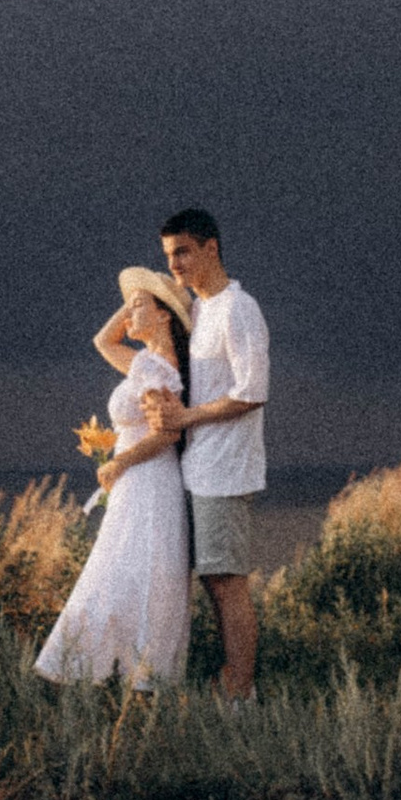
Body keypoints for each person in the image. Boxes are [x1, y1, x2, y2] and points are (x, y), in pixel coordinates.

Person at [34, 270, 195, 686]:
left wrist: (121, 463)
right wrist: (135, 302)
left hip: (148, 479)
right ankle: (107, 670)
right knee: (119, 570)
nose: (129, 314)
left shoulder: (161, 369)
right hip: (137, 481)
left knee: (131, 571)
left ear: (164, 317)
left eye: (140, 306)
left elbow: (169, 431)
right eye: (131, 306)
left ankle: (126, 675)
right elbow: (104, 341)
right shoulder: (145, 363)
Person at [143, 207, 268, 701]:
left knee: (226, 582)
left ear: (211, 249)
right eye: (168, 255)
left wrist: (184, 419)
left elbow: (252, 390)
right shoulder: (200, 311)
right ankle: (227, 682)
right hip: (197, 467)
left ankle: (240, 693)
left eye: (183, 252)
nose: (174, 264)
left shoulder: (239, 309)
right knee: (209, 580)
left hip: (227, 470)